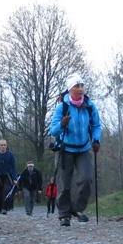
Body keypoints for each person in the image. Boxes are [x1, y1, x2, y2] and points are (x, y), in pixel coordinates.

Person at [49, 73, 101, 227]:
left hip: (83, 148)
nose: (80, 89)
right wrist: (62, 124)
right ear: (70, 89)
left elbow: (96, 125)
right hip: (65, 148)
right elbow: (53, 131)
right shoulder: (62, 107)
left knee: (87, 178)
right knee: (64, 183)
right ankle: (64, 215)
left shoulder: (90, 106)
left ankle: (77, 209)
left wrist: (96, 140)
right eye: (77, 86)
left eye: (82, 85)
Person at [0, 139, 17, 214]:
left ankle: (4, 208)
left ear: (6, 146)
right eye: (1, 145)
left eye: (4, 145)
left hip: (7, 176)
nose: (3, 146)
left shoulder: (10, 155)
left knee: (6, 191)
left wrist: (14, 178)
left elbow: (14, 167)